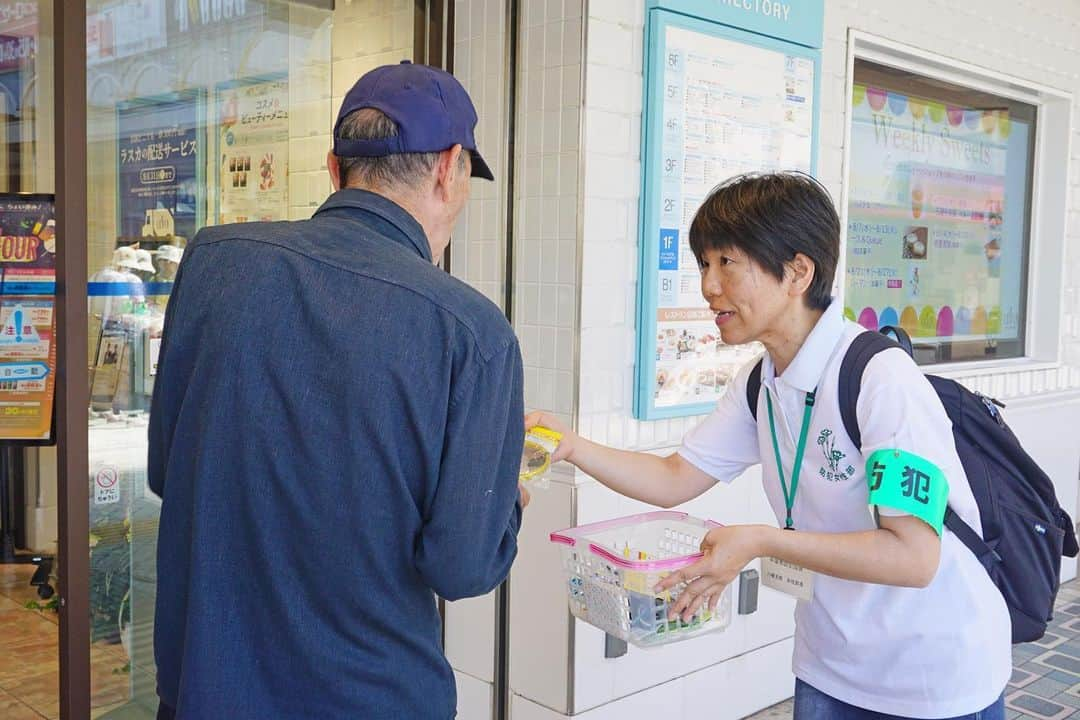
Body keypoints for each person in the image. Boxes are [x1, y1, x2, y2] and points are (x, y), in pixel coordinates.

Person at [528, 173, 1010, 720]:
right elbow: (675, 477)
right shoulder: (762, 382)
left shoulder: (880, 380)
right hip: (829, 665)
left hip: (930, 678)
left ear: (798, 272)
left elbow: (915, 556)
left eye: (727, 263)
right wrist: (570, 446)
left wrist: (761, 541)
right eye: (703, 265)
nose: (709, 286)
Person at [149, 61, 528, 720]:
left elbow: (165, 469)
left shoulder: (213, 261)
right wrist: (507, 503)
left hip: (204, 689)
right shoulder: (472, 334)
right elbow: (461, 566)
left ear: (333, 167)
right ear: (449, 169)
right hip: (369, 696)